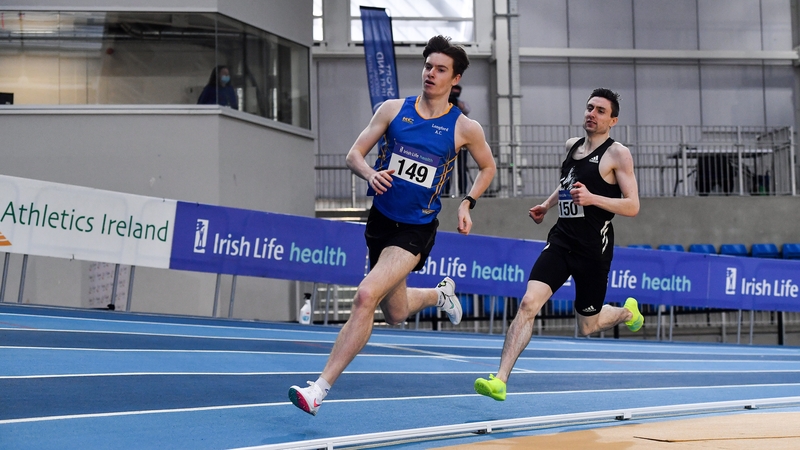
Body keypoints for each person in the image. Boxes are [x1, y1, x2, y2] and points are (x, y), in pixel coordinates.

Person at [288, 35, 497, 416]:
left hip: (416, 228)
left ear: (456, 79)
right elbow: (354, 153)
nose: (431, 74)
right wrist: (370, 173)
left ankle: (318, 388)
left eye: (441, 70)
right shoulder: (392, 110)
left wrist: (467, 202)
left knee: (366, 294)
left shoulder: (464, 127)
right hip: (381, 222)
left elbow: (488, 167)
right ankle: (439, 295)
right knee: (395, 312)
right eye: (428, 66)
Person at [474, 88, 644, 401]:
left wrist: (593, 199)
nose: (592, 114)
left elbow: (633, 205)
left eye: (601, 111)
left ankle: (626, 313)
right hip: (562, 239)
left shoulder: (618, 154)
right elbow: (567, 184)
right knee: (528, 303)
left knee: (588, 326)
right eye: (590, 107)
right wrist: (546, 205)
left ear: (613, 120)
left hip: (593, 249)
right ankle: (500, 380)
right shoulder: (572, 146)